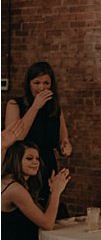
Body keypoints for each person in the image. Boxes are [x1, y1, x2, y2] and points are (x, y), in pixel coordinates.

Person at [4, 62, 72, 206]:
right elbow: (17, 136)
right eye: (37, 82)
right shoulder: (15, 104)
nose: (42, 87)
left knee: (47, 206)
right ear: (29, 84)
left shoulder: (55, 108)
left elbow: (63, 140)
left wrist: (66, 147)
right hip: (22, 165)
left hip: (47, 164)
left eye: (46, 83)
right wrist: (35, 106)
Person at [1, 141, 70, 240]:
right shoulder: (15, 189)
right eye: (29, 158)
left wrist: (52, 192)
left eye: (37, 158)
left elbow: (43, 214)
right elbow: (47, 224)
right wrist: (56, 192)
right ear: (16, 160)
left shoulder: (15, 183)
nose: (35, 162)